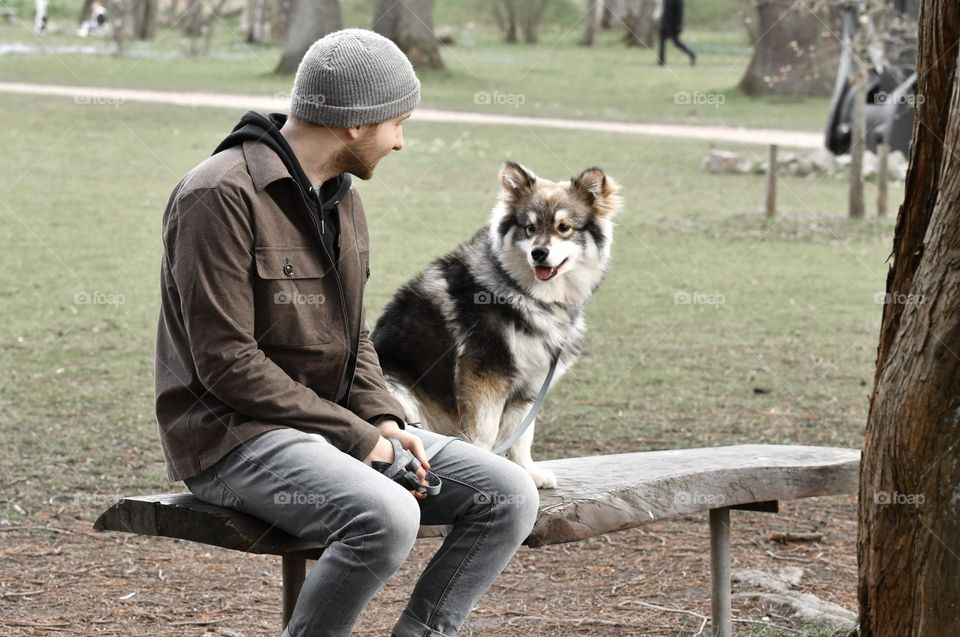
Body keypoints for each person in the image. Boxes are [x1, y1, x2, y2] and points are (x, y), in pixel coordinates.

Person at [154, 28, 540, 637]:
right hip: (234, 436)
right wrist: (359, 437)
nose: (402, 142)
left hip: (336, 426)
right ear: (356, 124)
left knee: (509, 494)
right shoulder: (217, 195)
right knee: (386, 515)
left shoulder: (340, 196)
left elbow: (354, 335)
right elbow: (225, 363)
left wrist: (383, 419)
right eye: (398, 123)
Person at [657, 0, 696, 66]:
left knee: (676, 42)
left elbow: (679, 12)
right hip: (665, 23)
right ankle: (661, 61)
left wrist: (678, 25)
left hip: (673, 24)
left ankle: (691, 54)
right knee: (661, 40)